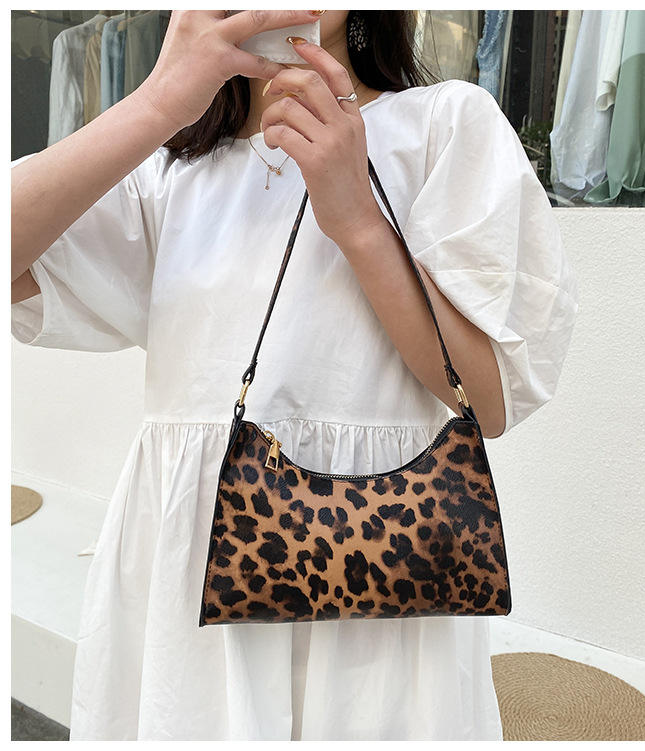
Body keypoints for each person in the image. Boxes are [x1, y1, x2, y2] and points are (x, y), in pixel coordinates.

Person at [10, 10, 579, 741]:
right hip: (197, 593)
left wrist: (358, 219)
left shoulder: (443, 126)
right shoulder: (168, 173)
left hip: (380, 593)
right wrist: (156, 104)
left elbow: (489, 399)